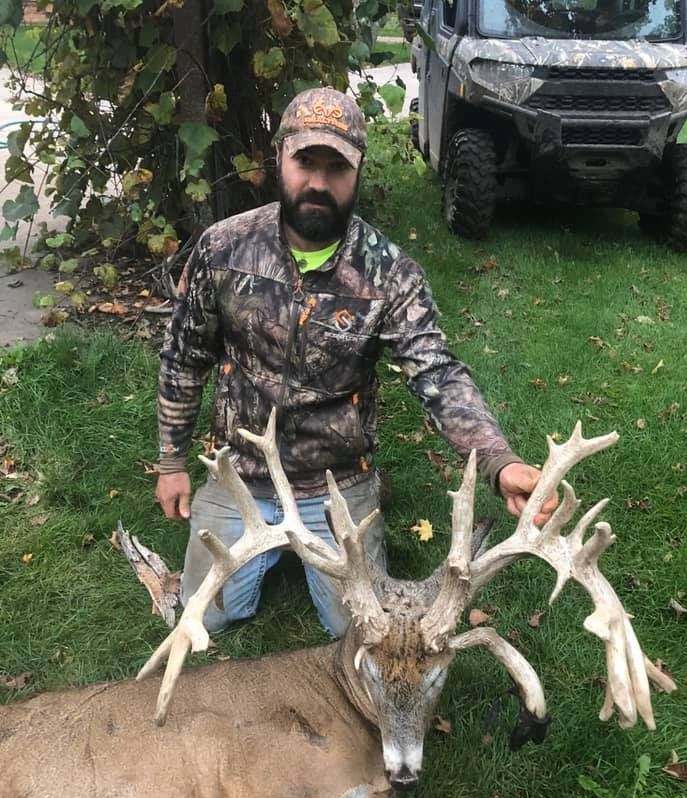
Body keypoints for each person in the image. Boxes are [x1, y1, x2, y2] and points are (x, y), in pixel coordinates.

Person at [155, 87, 556, 637]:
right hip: (242, 474)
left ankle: (362, 502)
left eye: (337, 167)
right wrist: (172, 463)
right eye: (305, 162)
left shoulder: (391, 274)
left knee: (362, 633)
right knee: (207, 619)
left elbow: (436, 372)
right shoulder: (222, 248)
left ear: (359, 170)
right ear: (279, 158)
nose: (319, 182)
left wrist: (499, 462)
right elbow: (184, 356)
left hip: (335, 481)